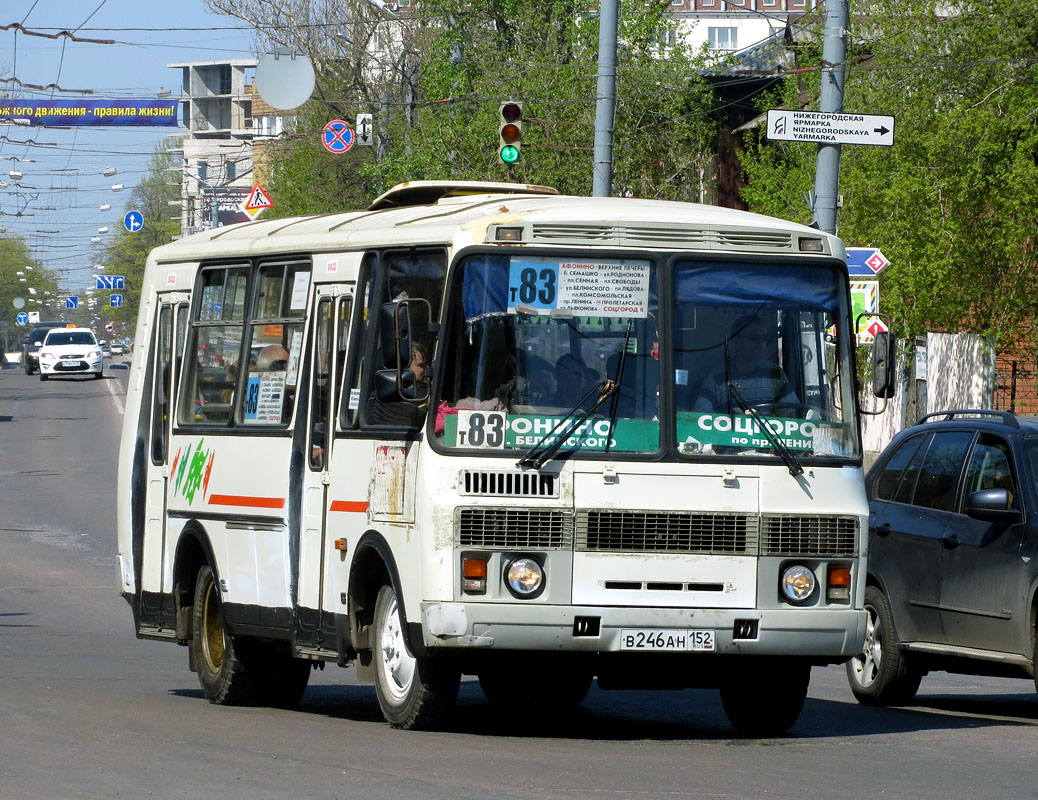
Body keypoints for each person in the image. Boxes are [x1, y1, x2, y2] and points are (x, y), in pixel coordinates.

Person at [693, 315, 798, 413]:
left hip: (770, 433)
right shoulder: (719, 377)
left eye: (764, 338)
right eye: (753, 337)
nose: (760, 342)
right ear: (736, 342)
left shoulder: (775, 373)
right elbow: (700, 417)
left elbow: (792, 412)